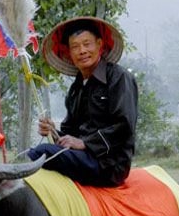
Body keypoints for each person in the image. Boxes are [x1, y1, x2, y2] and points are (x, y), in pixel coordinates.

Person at [27, 16, 138, 187]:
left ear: (99, 44)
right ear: (69, 53)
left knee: (41, 153)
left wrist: (85, 143)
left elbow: (124, 127)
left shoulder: (119, 78)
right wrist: (53, 132)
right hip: (83, 157)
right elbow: (70, 133)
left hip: (108, 164)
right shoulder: (76, 89)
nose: (82, 51)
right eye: (75, 47)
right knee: (33, 152)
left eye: (87, 44)